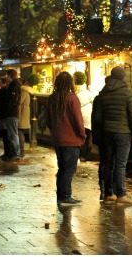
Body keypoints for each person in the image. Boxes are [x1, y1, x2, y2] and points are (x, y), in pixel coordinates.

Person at [93, 64, 132, 205]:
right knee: (120, 165)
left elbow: (98, 118)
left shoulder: (103, 94)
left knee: (108, 163)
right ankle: (121, 194)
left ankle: (108, 193)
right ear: (123, 77)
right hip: (123, 133)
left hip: (107, 133)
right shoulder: (127, 93)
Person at [47, 70, 87, 206]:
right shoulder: (72, 98)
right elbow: (78, 120)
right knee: (68, 170)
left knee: (62, 168)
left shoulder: (52, 98)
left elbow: (48, 120)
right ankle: (65, 196)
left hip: (58, 139)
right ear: (70, 83)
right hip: (71, 139)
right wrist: (82, 134)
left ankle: (61, 195)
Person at [0, 68, 22, 161]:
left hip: (12, 114)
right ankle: (12, 153)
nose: (6, 78)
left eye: (7, 76)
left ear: (9, 76)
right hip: (10, 113)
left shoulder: (14, 85)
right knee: (11, 134)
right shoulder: (12, 85)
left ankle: (16, 153)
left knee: (13, 134)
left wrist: (7, 110)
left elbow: (13, 100)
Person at [74, 71, 96, 162]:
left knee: (80, 136)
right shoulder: (88, 93)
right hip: (88, 118)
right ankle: (85, 155)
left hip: (79, 117)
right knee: (87, 138)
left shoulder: (75, 94)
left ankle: (80, 155)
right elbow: (95, 102)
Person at [17, 75, 33, 156]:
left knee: (20, 130)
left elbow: (19, 102)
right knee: (20, 131)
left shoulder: (23, 92)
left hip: (22, 113)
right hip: (24, 112)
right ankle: (21, 148)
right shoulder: (25, 91)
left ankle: (21, 149)